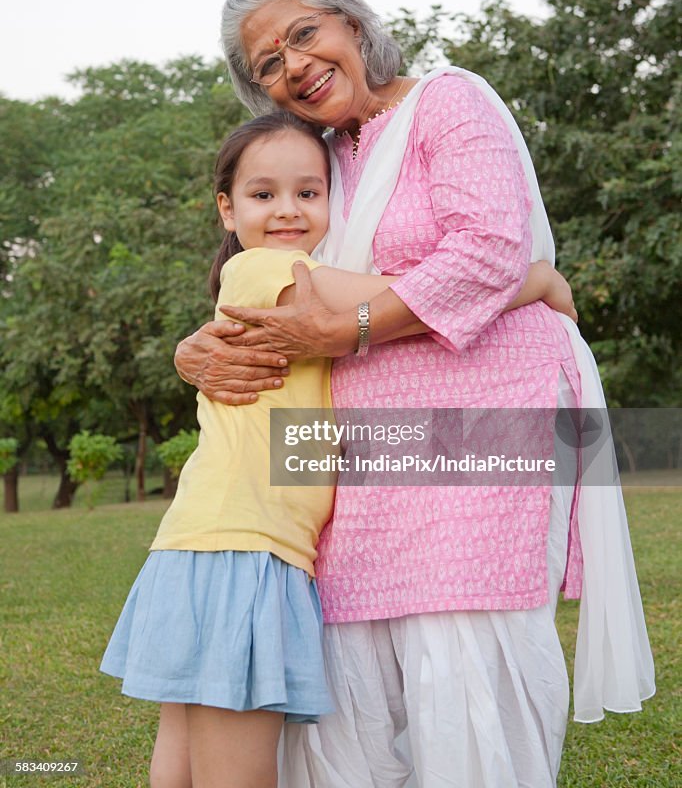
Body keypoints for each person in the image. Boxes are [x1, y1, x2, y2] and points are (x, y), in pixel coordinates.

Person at [174, 0, 654, 788]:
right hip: (351, 458)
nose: (293, 63)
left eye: (303, 34)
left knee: (465, 653)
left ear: (353, 27)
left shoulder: (450, 102)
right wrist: (192, 350)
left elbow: (488, 251)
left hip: (485, 409)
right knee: (352, 666)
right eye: (267, 63)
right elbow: (266, 270)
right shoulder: (315, 160)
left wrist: (351, 326)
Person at [101, 109, 570, 788]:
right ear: (226, 210)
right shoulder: (274, 272)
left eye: (308, 193)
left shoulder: (269, 277)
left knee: (182, 762)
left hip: (209, 543)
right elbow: (409, 299)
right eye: (264, 195)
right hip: (244, 548)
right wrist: (539, 282)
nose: (288, 210)